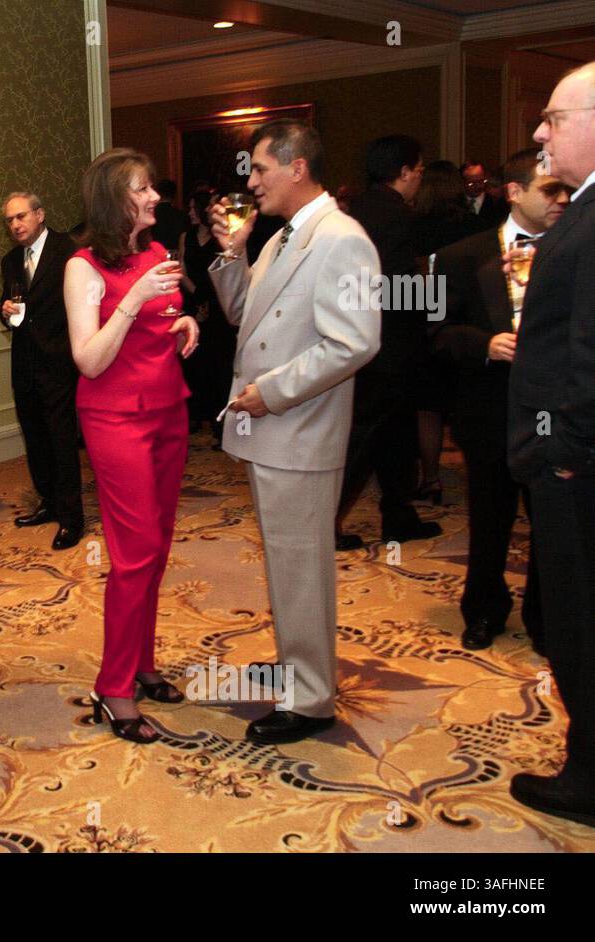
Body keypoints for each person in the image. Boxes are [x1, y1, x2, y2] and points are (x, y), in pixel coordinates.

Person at [207, 119, 380, 744]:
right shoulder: (284, 239)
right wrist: (232, 250)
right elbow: (240, 314)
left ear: (297, 167)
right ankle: (294, 664)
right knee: (286, 561)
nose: (250, 182)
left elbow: (355, 342)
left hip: (300, 428)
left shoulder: (341, 239)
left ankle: (311, 699)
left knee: (303, 564)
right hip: (274, 433)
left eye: (259, 169)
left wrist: (272, 392)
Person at [63, 149, 199, 742]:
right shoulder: (82, 266)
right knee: (134, 551)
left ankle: (143, 663)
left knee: (158, 546)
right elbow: (88, 359)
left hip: (170, 408)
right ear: (117, 199)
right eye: (143, 190)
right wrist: (134, 299)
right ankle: (113, 684)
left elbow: (166, 315)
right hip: (115, 418)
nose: (154, 198)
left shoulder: (159, 252)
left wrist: (183, 322)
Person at [506, 61, 595, 829]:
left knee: (578, 618)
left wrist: (560, 450)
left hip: (577, 464)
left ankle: (589, 776)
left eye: (555, 118)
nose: (539, 132)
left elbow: (588, 354)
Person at [432, 149, 567, 653]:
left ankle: (545, 619)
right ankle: (483, 611)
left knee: (551, 522)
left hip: (555, 412)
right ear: (514, 192)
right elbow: (436, 332)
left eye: (564, 190)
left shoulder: (573, 249)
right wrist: (484, 344)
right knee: (490, 519)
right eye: (550, 190)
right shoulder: (460, 256)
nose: (562, 199)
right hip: (489, 408)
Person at [336, 135, 442, 550]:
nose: (419, 179)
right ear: (403, 172)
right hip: (387, 347)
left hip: (360, 339)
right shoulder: (395, 216)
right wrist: (437, 298)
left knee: (394, 434)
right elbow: (396, 290)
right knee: (363, 438)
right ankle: (324, 521)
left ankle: (399, 515)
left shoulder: (356, 209)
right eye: (418, 171)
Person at [0, 192, 83, 549]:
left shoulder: (70, 251)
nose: (15, 225)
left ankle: (71, 519)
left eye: (21, 217)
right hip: (25, 363)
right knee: (36, 438)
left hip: (61, 361)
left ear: (40, 214)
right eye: (9, 221)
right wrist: (4, 311)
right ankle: (47, 503)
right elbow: (15, 310)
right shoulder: (10, 261)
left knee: (62, 442)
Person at [412, 159, 493, 503]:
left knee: (428, 407)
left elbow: (407, 284)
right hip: (469, 325)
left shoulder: (415, 226)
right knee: (466, 401)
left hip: (428, 321)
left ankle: (431, 478)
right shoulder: (475, 226)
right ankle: (482, 477)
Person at [178, 185, 237, 446]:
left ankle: (219, 422)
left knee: (218, 364)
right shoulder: (185, 237)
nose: (189, 213)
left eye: (192, 208)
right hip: (192, 302)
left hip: (218, 305)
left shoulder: (220, 237)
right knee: (193, 362)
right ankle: (195, 415)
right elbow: (181, 268)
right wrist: (196, 297)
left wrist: (206, 301)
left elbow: (225, 271)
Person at [463, 160, 509, 226]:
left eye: (481, 181)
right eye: (472, 183)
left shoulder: (498, 203)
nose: (478, 186)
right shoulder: (455, 204)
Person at [148, 178, 188, 251]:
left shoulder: (150, 214)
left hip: (153, 252)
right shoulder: (181, 215)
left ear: (158, 192)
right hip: (175, 254)